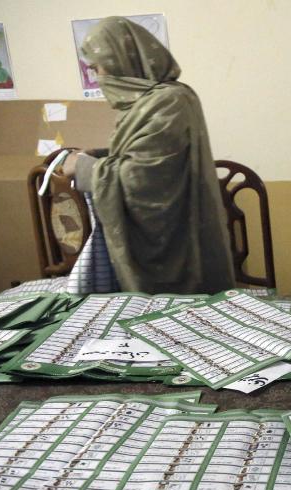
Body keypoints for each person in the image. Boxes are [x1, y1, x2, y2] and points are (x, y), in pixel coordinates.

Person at [63, 17, 235, 295]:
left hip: (179, 254)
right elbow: (145, 153)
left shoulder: (169, 101)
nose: (97, 78)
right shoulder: (146, 103)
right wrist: (99, 155)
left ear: (122, 59)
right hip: (172, 241)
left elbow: (145, 179)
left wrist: (85, 169)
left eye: (98, 67)